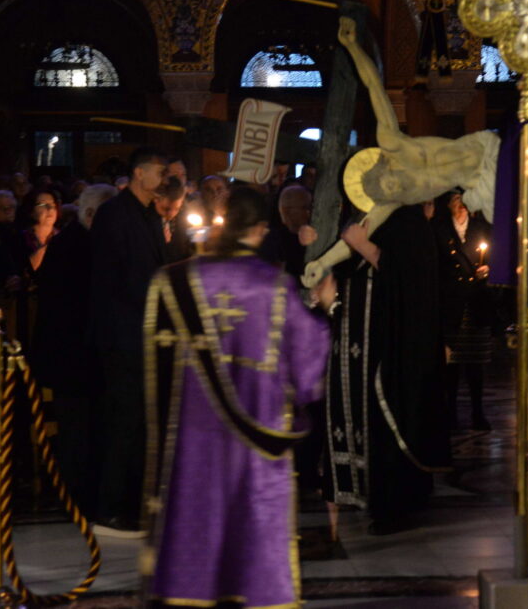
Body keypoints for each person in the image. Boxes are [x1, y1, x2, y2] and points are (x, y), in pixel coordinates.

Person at [143, 186, 333, 608]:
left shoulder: (178, 278)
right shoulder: (274, 286)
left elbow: (157, 356)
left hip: (195, 430)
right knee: (252, 515)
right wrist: (323, 308)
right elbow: (305, 367)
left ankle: (191, 587)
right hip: (256, 429)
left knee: (200, 507)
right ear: (262, 229)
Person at [302, 16, 500, 287]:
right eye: (386, 190)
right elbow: (354, 239)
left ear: (384, 165)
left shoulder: (394, 144)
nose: (393, 188)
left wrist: (352, 46)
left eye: (388, 182)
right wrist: (321, 263)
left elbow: (373, 86)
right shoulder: (391, 201)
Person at [323, 202, 450, 534]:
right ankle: (362, 493)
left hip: (392, 346)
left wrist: (364, 246)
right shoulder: (361, 218)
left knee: (388, 416)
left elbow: (411, 277)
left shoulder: (409, 222)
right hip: (357, 341)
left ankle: (393, 503)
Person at [88, 147, 167, 536]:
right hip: (122, 335)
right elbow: (117, 277)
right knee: (123, 421)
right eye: (159, 171)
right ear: (139, 173)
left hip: (144, 333)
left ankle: (135, 502)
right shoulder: (114, 215)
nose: (164, 179)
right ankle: (109, 507)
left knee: (139, 422)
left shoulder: (150, 214)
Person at [32, 183, 116, 516]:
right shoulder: (74, 246)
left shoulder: (85, 242)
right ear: (93, 214)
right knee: (78, 432)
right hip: (73, 357)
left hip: (83, 355)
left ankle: (89, 494)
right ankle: (78, 499)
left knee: (91, 428)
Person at [432, 190, 494, 431]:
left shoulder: (480, 226)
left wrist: (486, 268)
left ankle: (478, 412)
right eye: (456, 201)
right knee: (451, 363)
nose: (461, 205)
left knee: (475, 363)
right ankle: (451, 413)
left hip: (476, 301)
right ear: (448, 204)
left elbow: (493, 253)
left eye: (463, 201)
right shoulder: (441, 228)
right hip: (452, 302)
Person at [259, 184, 314, 279]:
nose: (309, 213)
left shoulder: (313, 237)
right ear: (286, 211)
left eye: (311, 208)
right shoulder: (271, 242)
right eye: (304, 208)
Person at [153, 177, 191, 263]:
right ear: (155, 199)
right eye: (166, 209)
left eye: (177, 209)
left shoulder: (183, 218)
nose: (171, 215)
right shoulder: (146, 221)